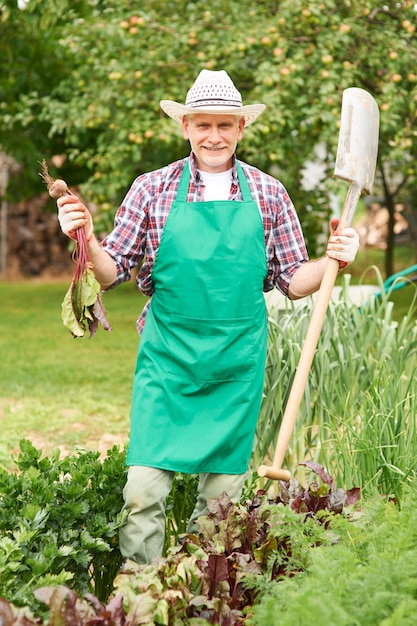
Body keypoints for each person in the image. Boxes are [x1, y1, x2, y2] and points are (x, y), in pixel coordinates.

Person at [57, 69, 359, 564]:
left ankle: (196, 594)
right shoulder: (152, 189)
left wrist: (335, 261)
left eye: (225, 125)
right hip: (168, 360)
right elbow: (111, 273)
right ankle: (138, 599)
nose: (213, 136)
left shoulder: (269, 193)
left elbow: (294, 281)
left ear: (241, 128)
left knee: (220, 506)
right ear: (186, 129)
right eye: (203, 125)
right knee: (143, 492)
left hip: (235, 366)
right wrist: (87, 237)